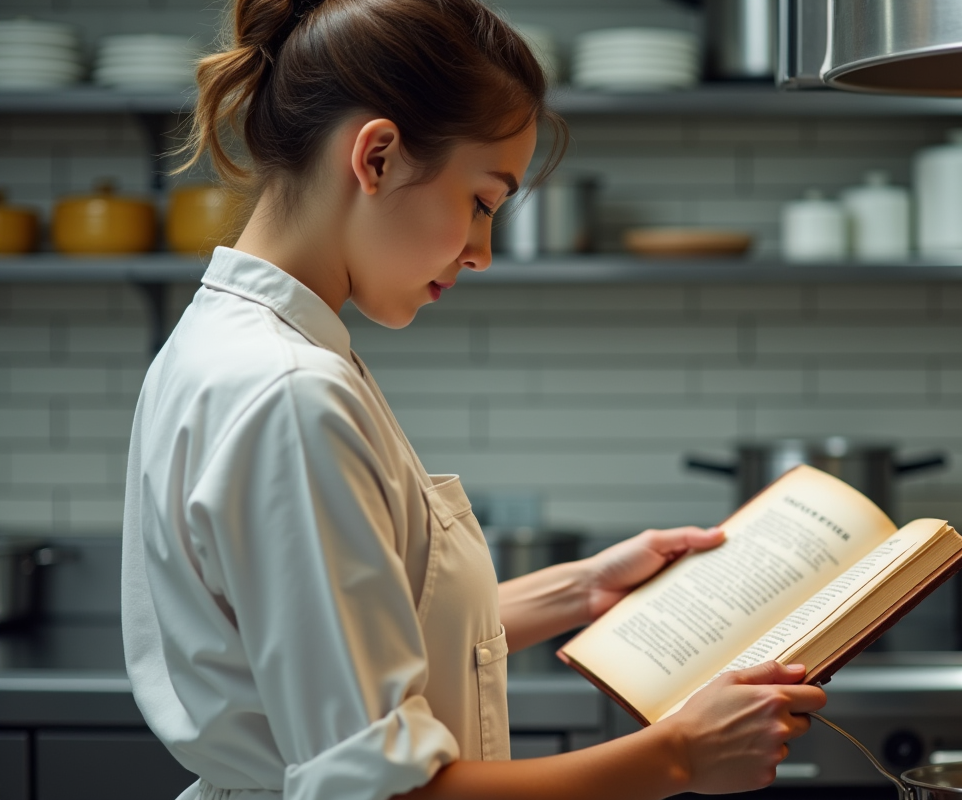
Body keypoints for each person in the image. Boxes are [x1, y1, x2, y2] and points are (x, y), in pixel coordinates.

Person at [120, 1, 826, 798]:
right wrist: (677, 758)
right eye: (484, 202)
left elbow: (356, 628)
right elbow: (379, 789)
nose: (483, 253)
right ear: (377, 156)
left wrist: (582, 588)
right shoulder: (289, 393)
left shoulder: (236, 339)